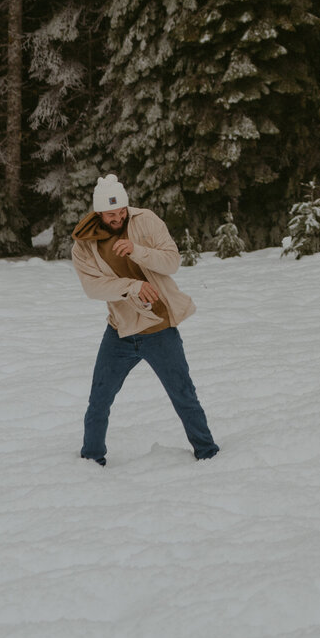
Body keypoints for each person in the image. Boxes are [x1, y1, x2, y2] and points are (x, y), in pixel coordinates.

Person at [72, 174, 219, 464]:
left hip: (159, 327)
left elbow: (172, 262)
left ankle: (207, 452)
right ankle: (91, 459)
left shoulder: (146, 220)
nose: (118, 218)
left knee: (183, 394)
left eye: (121, 211)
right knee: (99, 399)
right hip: (120, 331)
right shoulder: (84, 245)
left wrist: (137, 251)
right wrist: (132, 286)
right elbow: (93, 287)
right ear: (98, 213)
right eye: (111, 214)